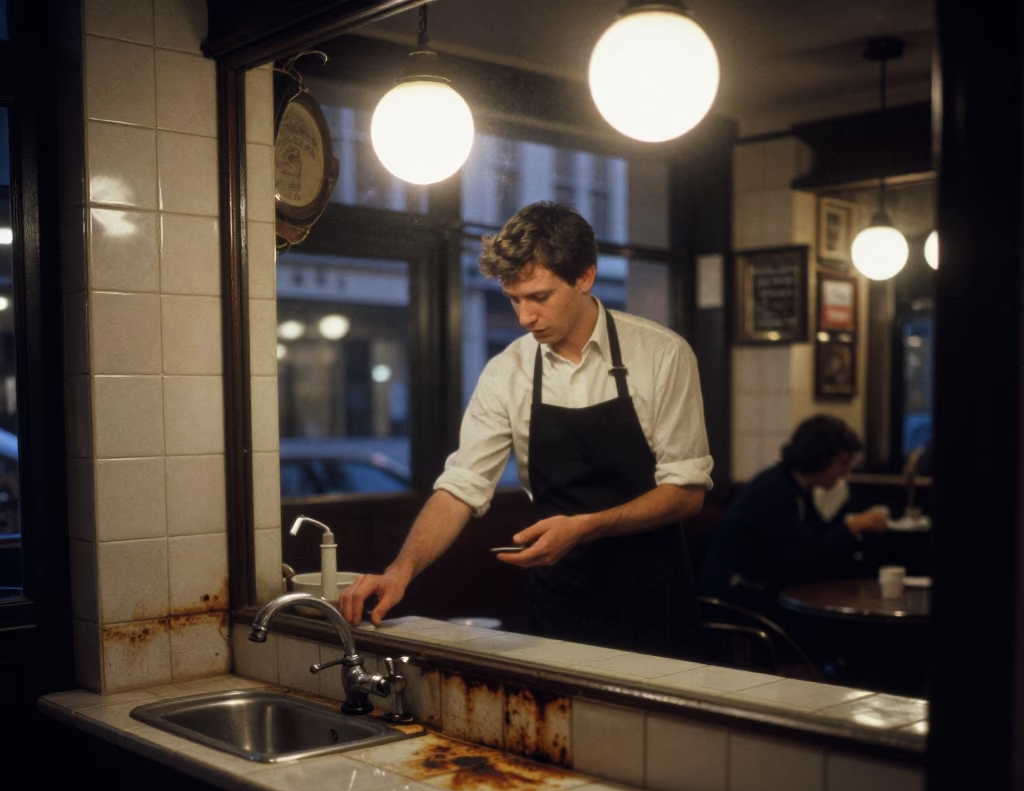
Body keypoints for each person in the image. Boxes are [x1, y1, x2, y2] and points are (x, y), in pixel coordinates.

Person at [341, 201, 714, 657]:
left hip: (654, 605)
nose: (524, 318)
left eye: (539, 297)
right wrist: (400, 570)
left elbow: (686, 492)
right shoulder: (508, 371)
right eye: (514, 299)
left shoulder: (661, 355)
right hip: (558, 606)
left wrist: (585, 527)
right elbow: (462, 486)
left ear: (585, 278)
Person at [700, 415, 888, 617]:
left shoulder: (795, 487)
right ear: (819, 458)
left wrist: (851, 528)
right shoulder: (774, 489)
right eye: (843, 463)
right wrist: (853, 527)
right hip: (736, 600)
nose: (845, 472)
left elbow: (817, 538)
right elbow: (805, 557)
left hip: (758, 592)